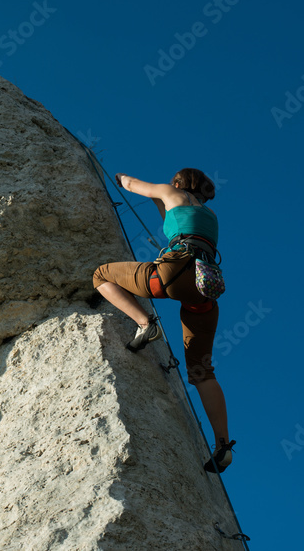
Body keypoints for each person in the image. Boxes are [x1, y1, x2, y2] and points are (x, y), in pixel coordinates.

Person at [91, 168, 235, 473]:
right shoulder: (209, 215)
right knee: (202, 372)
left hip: (173, 273)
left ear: (179, 182)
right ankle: (223, 445)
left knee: (101, 275)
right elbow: (170, 220)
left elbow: (131, 185)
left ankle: (145, 324)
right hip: (204, 289)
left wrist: (118, 177)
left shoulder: (172, 192)